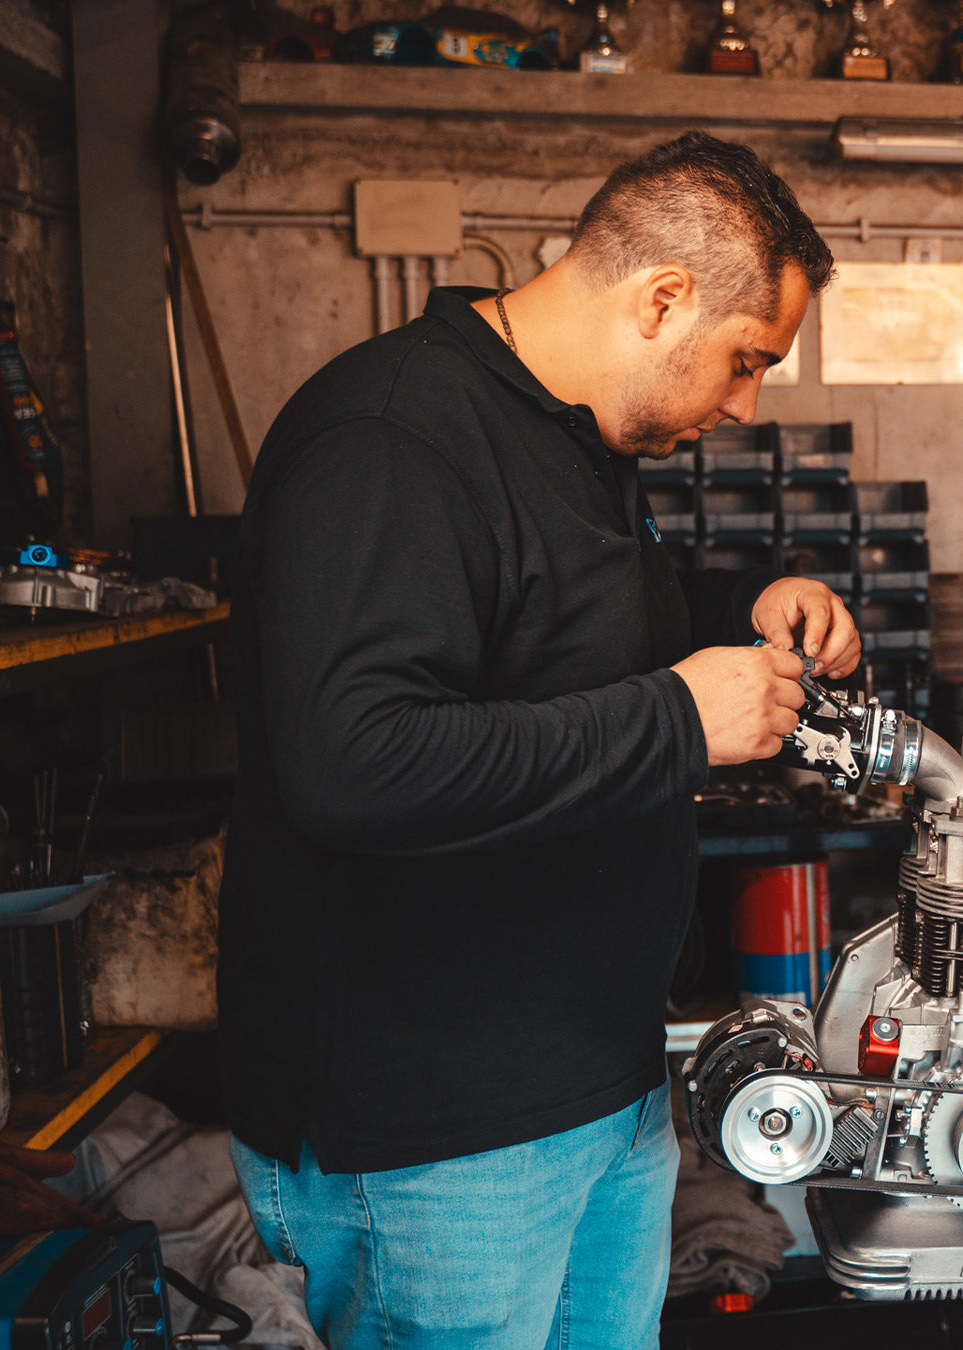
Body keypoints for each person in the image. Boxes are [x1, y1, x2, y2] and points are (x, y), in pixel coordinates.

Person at [217, 130, 861, 1350]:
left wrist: (748, 605)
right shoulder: (392, 437)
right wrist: (680, 718)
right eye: (744, 359)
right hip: (441, 1139)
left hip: (597, 1089)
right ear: (662, 298)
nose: (745, 404)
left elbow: (570, 636)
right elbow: (354, 762)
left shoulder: (574, 435)